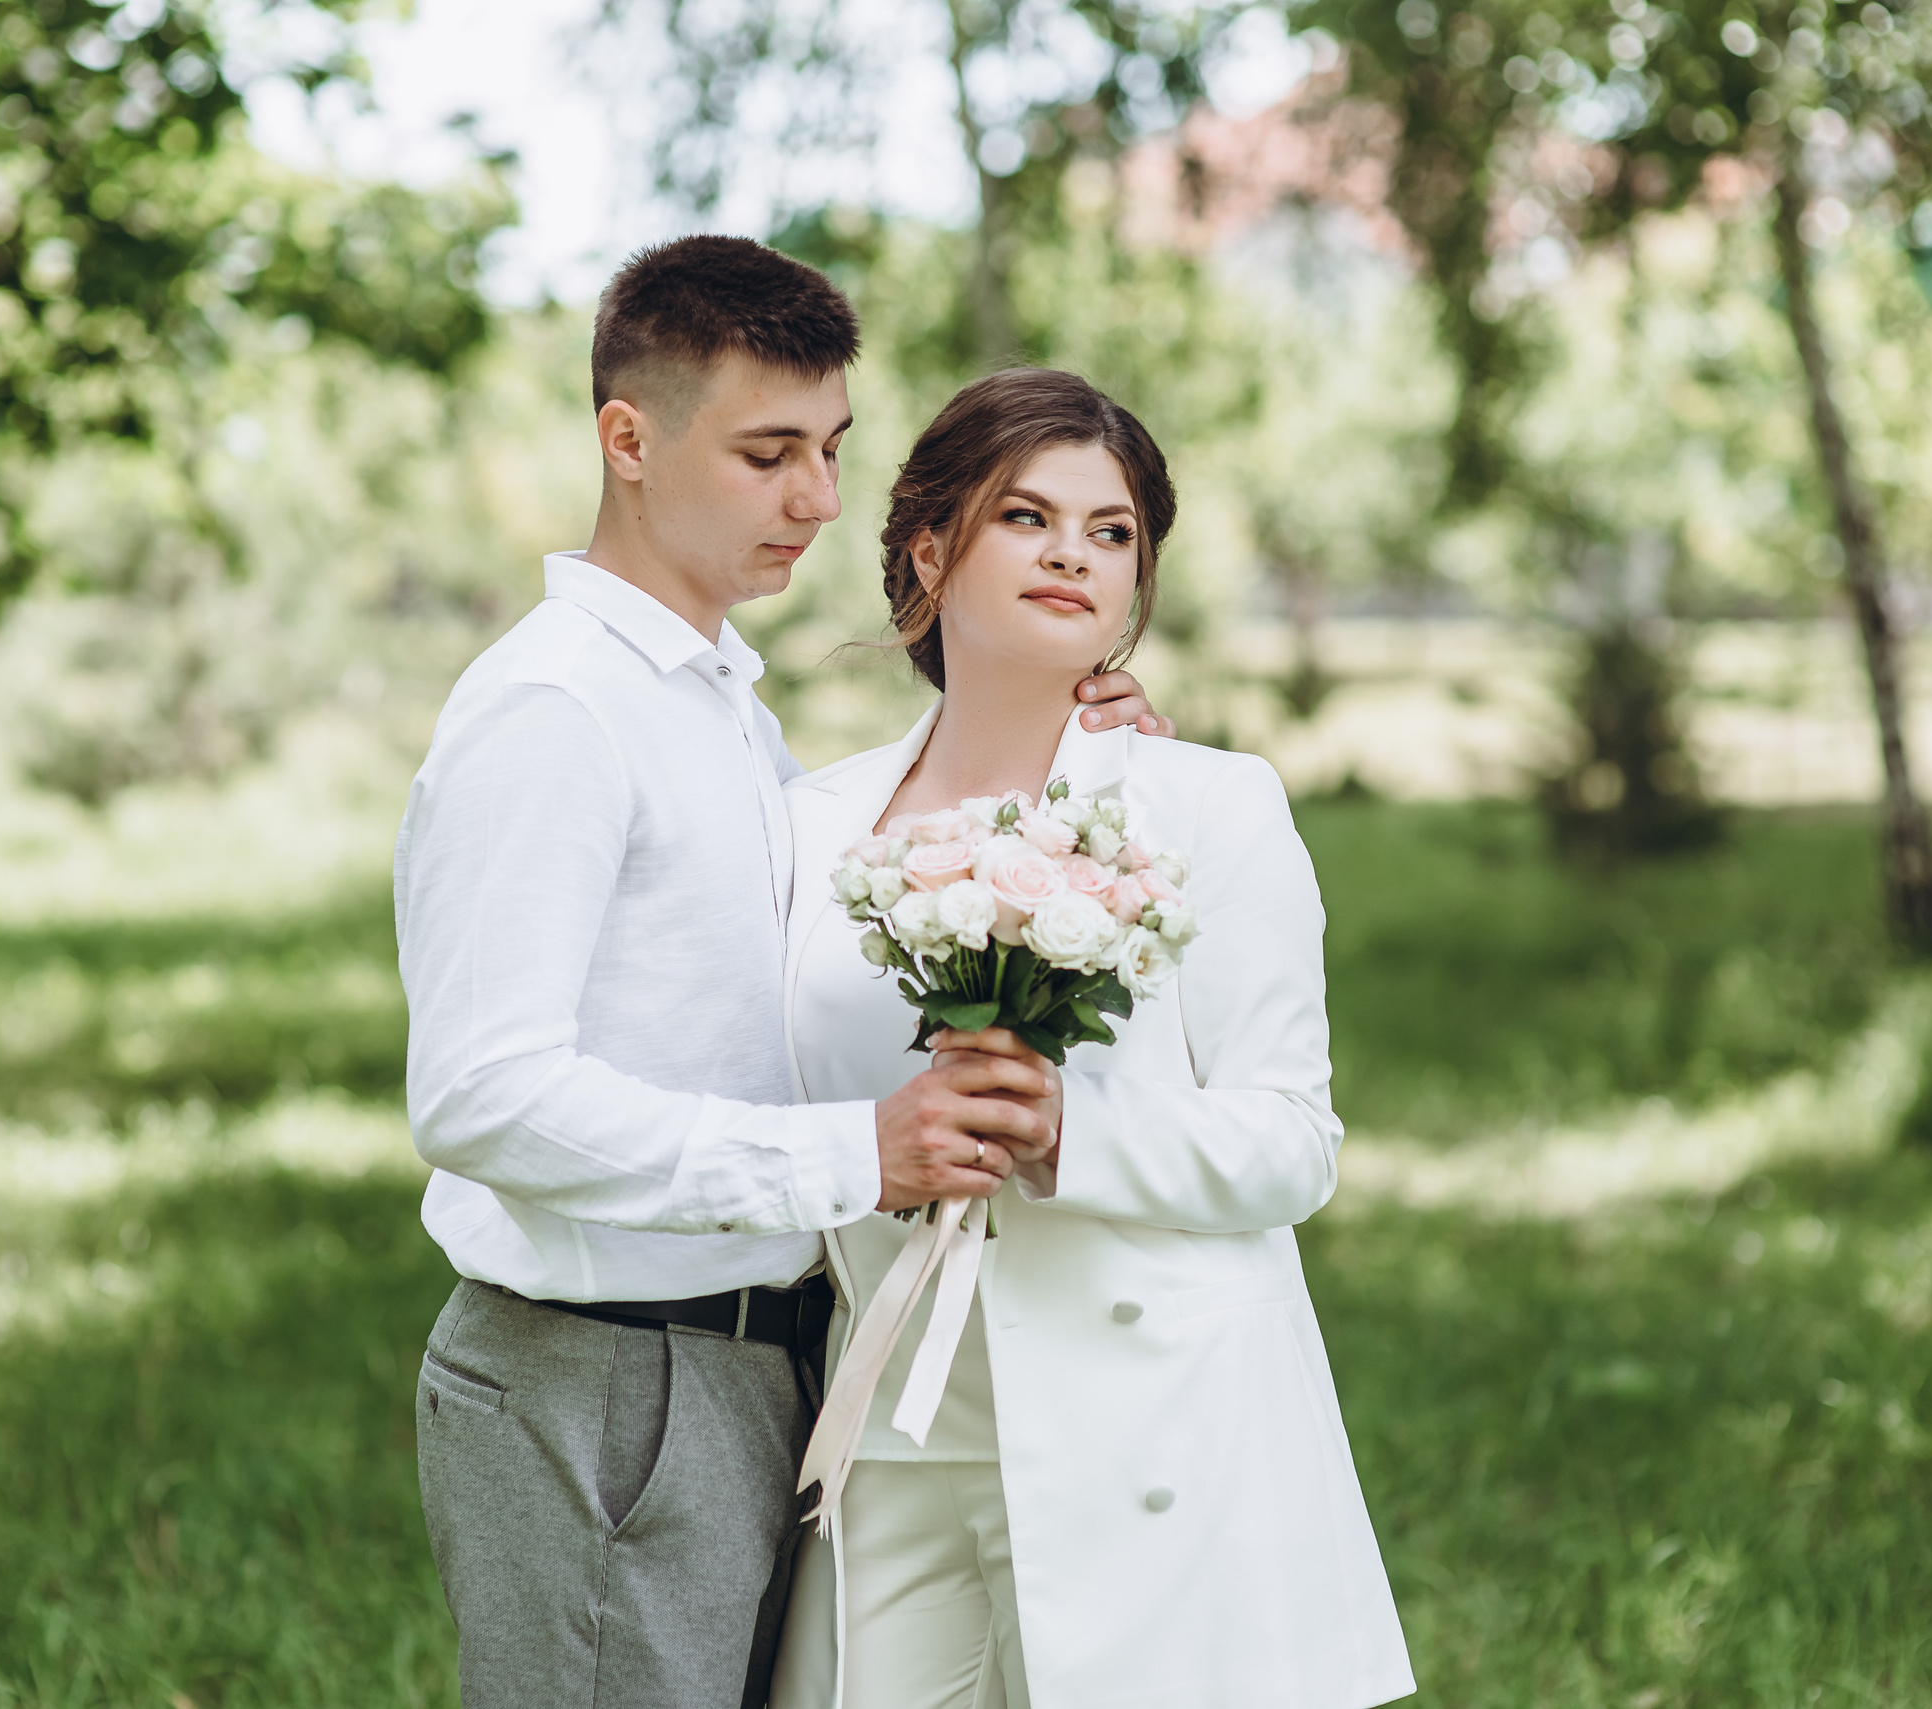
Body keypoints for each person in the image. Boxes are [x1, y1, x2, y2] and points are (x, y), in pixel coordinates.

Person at [393, 238, 1172, 1709]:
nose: (816, 500)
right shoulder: (555, 709)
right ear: (628, 439)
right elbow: (482, 1096)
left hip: (762, 1368)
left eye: (829, 448)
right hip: (605, 1381)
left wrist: (1075, 752)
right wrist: (852, 1153)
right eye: (766, 454)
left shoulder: (721, 708)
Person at [768, 368, 1416, 1709]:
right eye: (1026, 516)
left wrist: (1069, 1131)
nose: (1073, 551)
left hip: (1149, 1421)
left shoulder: (1207, 807)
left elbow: (1293, 1143)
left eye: (1111, 531)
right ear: (930, 546)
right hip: (891, 1424)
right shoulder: (809, 823)